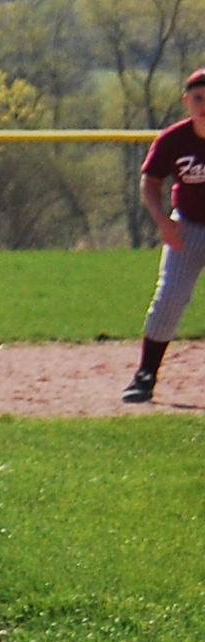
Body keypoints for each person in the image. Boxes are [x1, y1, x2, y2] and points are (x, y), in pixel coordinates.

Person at [124, 67, 205, 403]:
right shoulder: (174, 139)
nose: (204, 105)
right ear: (186, 101)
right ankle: (145, 376)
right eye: (198, 98)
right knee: (170, 298)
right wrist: (162, 220)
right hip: (187, 226)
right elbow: (151, 180)